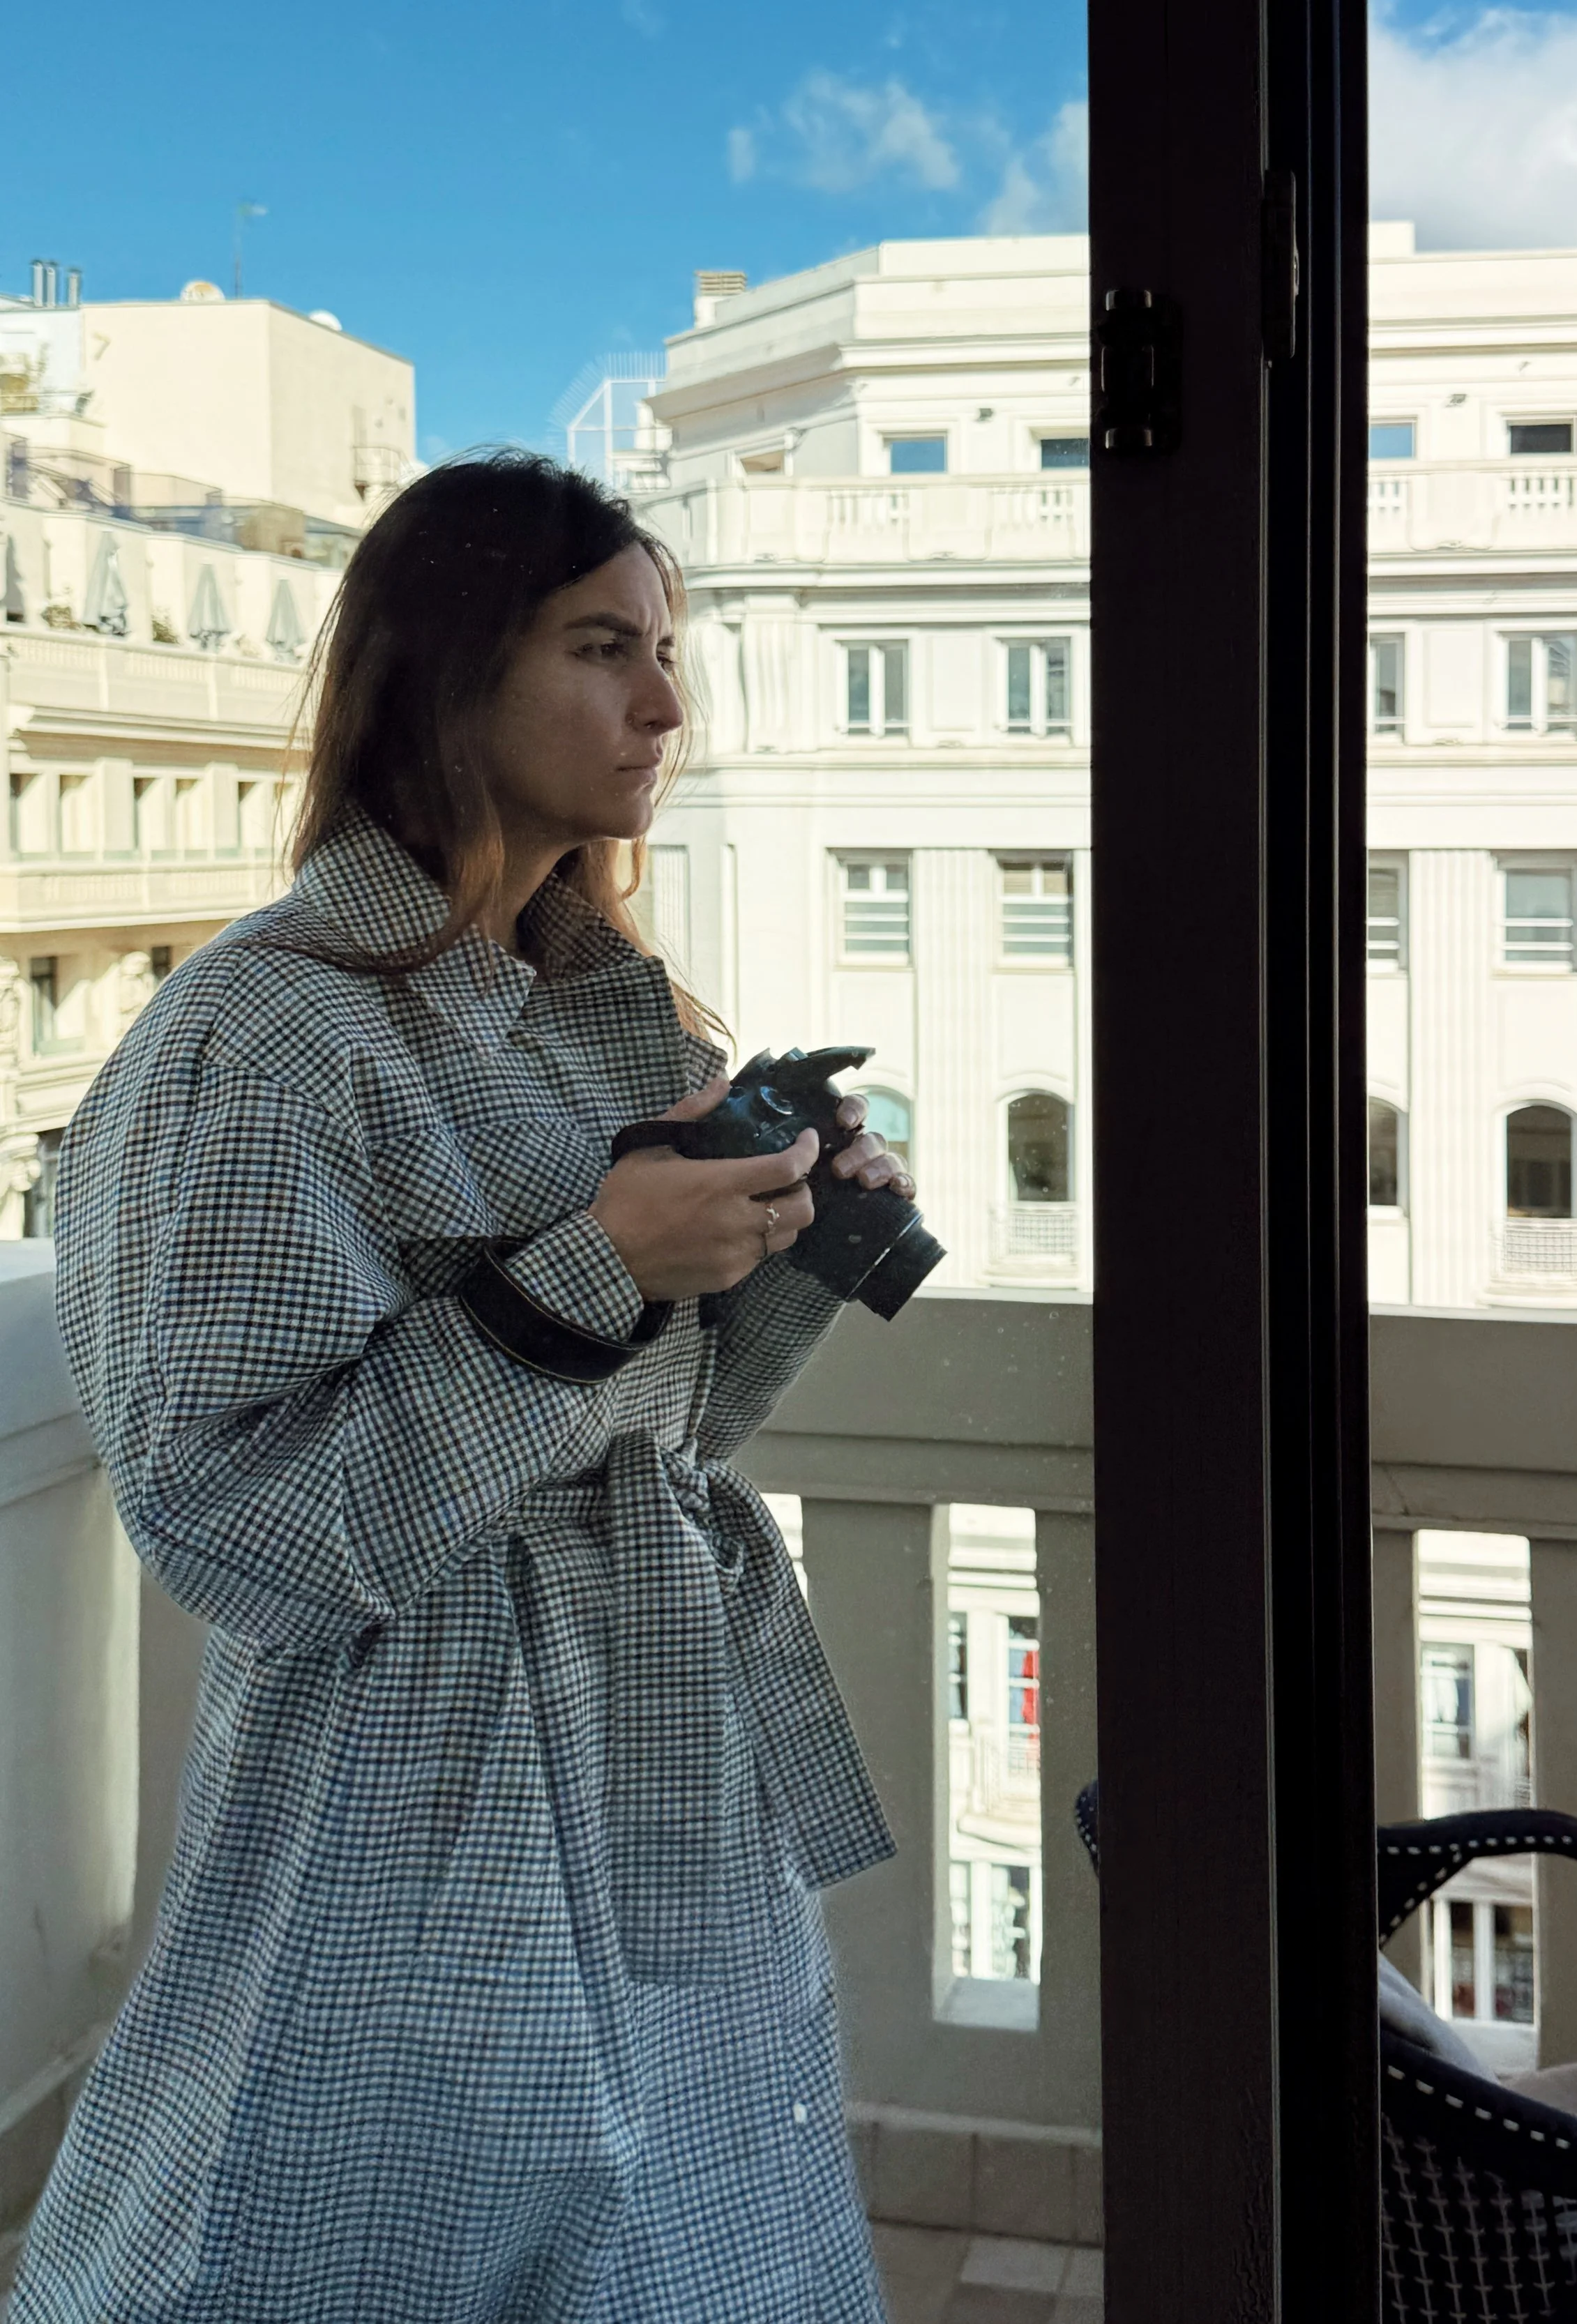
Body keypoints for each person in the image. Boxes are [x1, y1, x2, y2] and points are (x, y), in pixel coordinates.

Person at [11, 453, 912, 2323]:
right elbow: (232, 1524)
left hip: (664, 1733)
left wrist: (771, 1247)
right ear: (445, 675)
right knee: (368, 2249)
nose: (664, 702)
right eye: (603, 647)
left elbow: (655, 1423)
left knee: (683, 2247)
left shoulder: (620, 1012)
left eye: (669, 651)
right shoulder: (264, 1032)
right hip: (413, 1769)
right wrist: (595, 1266)